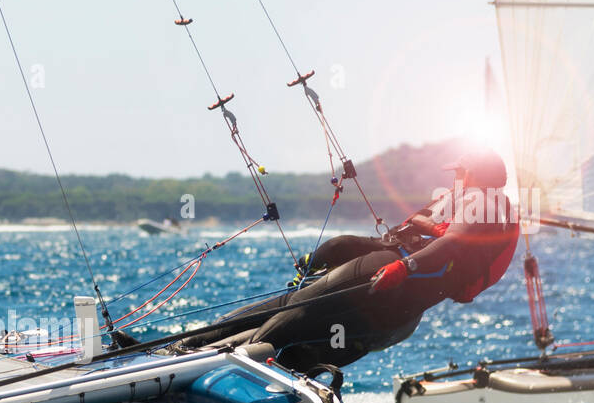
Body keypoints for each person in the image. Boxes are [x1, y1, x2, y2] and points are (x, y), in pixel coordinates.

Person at [174, 149, 518, 371]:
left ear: (472, 175)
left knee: (292, 311)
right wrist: (330, 253)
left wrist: (403, 267)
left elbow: (453, 244)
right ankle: (197, 355)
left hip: (390, 276)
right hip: (401, 305)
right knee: (295, 328)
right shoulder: (490, 209)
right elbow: (404, 237)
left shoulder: (481, 200)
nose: (455, 178)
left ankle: (187, 355)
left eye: (459, 172)